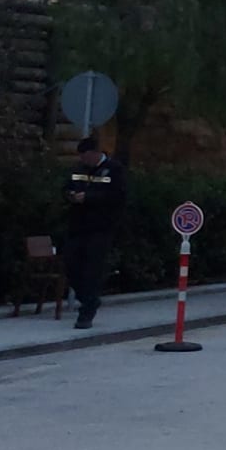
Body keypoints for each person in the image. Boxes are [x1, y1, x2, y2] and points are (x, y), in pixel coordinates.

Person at [63, 136, 127, 328]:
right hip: (78, 226)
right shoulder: (79, 169)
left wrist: (89, 197)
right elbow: (67, 187)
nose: (83, 160)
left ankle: (86, 313)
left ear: (95, 153)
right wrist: (70, 195)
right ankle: (89, 299)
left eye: (85, 156)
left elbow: (117, 196)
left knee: (92, 269)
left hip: (101, 227)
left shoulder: (114, 169)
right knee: (70, 265)